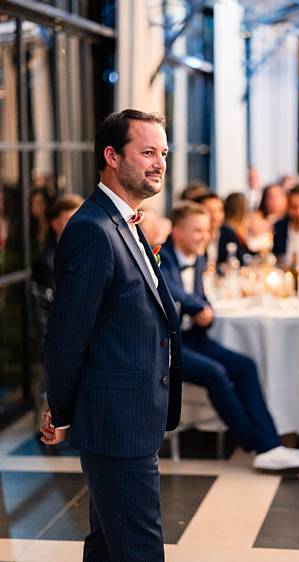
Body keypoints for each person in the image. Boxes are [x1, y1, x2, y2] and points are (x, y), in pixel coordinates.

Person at [42, 109, 183, 561]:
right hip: (115, 420)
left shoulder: (126, 221)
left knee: (107, 546)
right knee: (140, 549)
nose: (159, 162)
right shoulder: (92, 229)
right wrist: (61, 411)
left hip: (134, 413)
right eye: (147, 152)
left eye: (162, 152)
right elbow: (68, 334)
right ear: (111, 156)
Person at [159, 203, 299, 473]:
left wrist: (206, 310)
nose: (204, 237)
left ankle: (271, 445)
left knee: (245, 365)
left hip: (194, 338)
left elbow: (200, 296)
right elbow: (170, 289)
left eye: (206, 231)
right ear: (177, 232)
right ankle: (259, 445)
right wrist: (198, 308)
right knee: (216, 373)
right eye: (197, 231)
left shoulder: (196, 258)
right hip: (167, 346)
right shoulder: (162, 256)